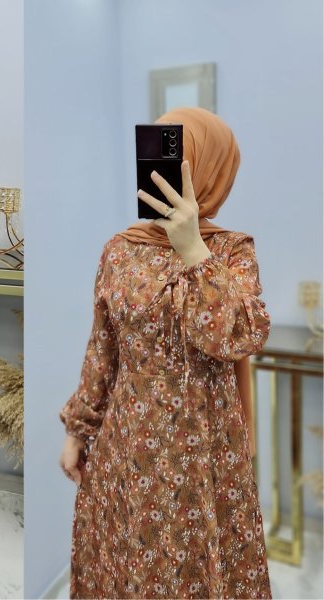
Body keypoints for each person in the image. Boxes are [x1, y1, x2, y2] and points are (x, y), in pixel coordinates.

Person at [58, 107, 273, 599]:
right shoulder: (119, 249)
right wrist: (77, 430)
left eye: (182, 158)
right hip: (127, 447)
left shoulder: (232, 251)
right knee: (131, 566)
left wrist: (194, 250)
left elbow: (240, 335)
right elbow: (103, 348)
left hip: (203, 452)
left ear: (210, 170)